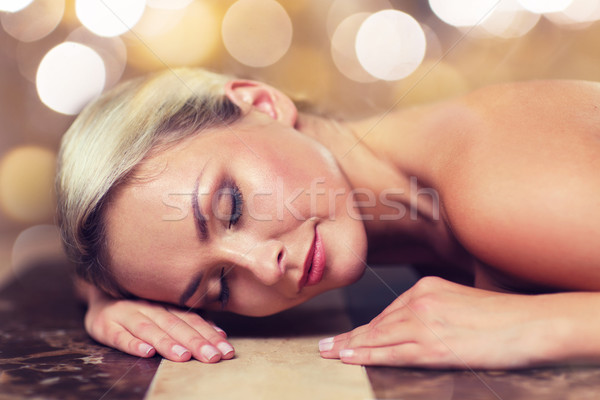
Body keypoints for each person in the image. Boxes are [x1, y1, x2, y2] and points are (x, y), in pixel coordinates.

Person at [56, 68, 600, 369]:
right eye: (220, 287)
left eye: (231, 207)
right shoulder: (427, 195)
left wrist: (540, 327)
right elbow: (139, 245)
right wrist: (109, 297)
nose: (264, 269)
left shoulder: (493, 185)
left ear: (262, 104)